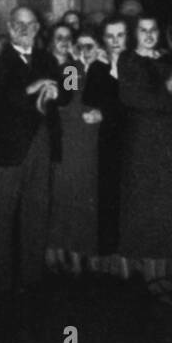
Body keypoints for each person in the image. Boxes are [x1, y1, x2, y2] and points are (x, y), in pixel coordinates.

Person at [0, 7, 69, 293]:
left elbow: (66, 88)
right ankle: (3, 282)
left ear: (37, 28)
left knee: (36, 213)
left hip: (41, 145)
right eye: (18, 23)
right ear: (9, 26)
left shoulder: (46, 58)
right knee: (2, 217)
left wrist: (58, 90)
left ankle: (32, 281)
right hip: (6, 149)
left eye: (30, 24)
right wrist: (34, 88)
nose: (24, 28)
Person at [118, 16, 172, 303]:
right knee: (148, 213)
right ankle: (152, 279)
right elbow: (133, 97)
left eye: (153, 30)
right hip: (143, 146)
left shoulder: (166, 58)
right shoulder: (128, 59)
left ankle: (164, 277)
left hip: (167, 143)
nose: (149, 35)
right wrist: (169, 91)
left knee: (168, 212)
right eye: (143, 30)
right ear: (135, 34)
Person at [45, 23, 102, 276]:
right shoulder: (71, 69)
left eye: (90, 46)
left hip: (93, 142)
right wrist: (77, 67)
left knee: (87, 200)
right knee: (69, 200)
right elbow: (65, 102)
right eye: (80, 46)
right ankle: (73, 258)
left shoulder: (103, 70)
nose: (84, 50)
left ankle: (86, 255)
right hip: (72, 142)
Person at [85, 15, 127, 265]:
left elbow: (134, 101)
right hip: (110, 141)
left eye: (120, 35)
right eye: (110, 36)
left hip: (136, 140)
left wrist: (106, 111)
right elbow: (89, 98)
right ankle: (114, 264)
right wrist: (96, 67)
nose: (115, 41)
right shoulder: (97, 67)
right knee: (110, 200)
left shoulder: (136, 63)